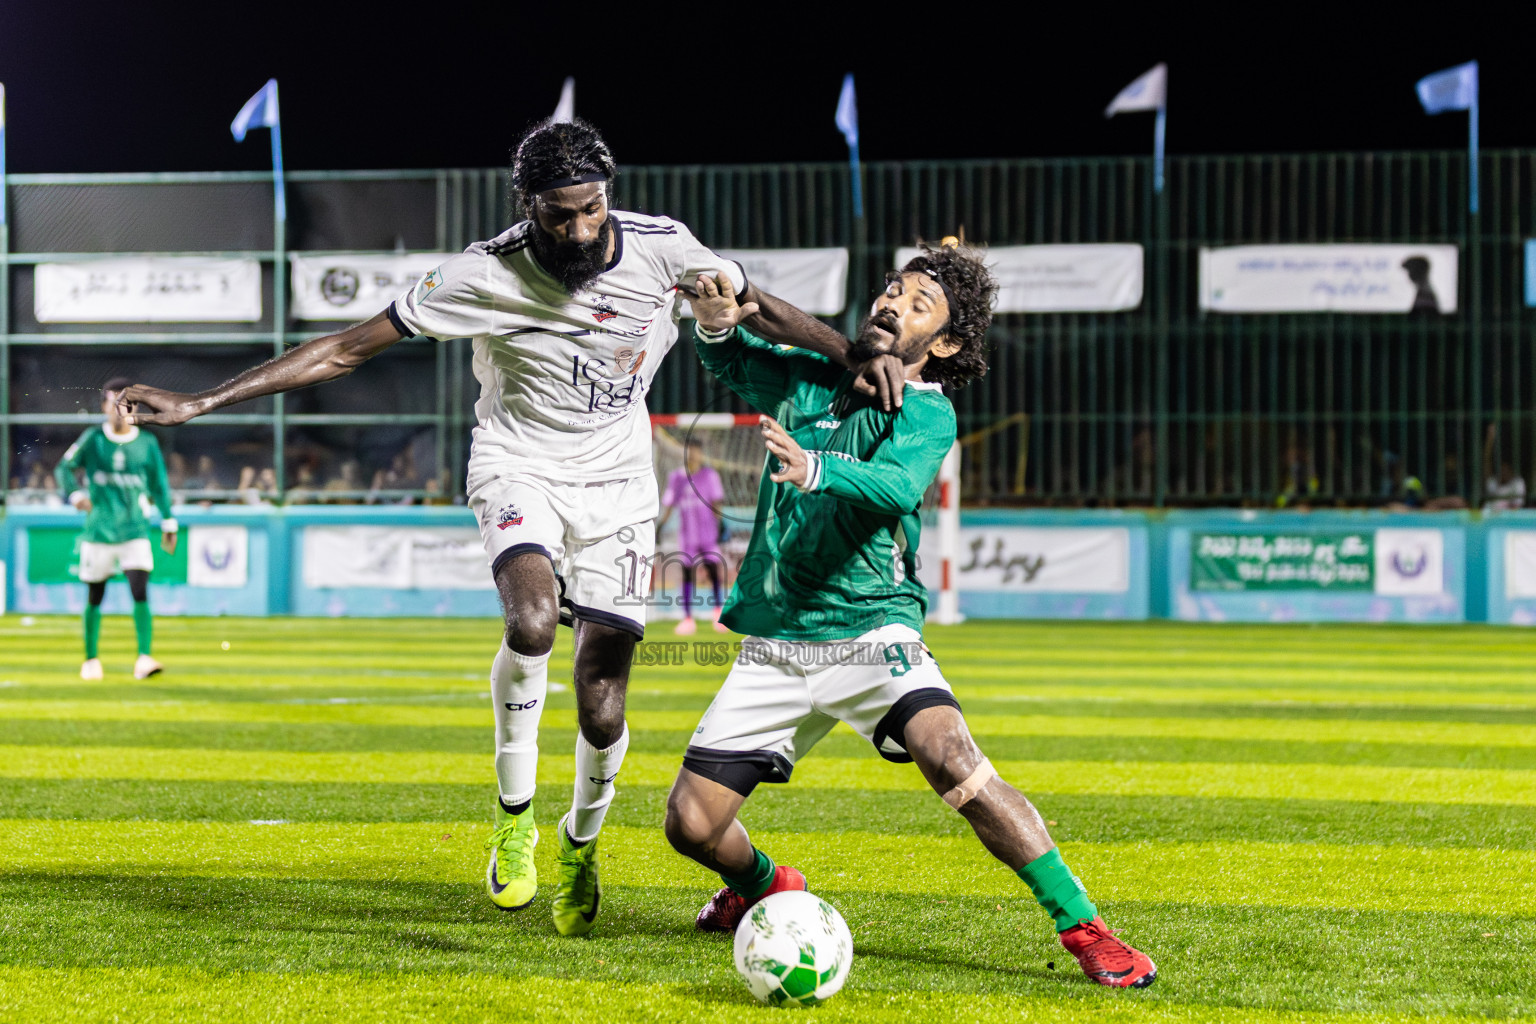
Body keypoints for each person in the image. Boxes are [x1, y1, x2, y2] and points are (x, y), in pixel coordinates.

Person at [118, 118, 903, 937]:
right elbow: (348, 348)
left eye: (591, 208)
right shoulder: (483, 273)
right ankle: (512, 816)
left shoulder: (664, 247)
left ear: (611, 197)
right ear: (527, 205)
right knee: (531, 620)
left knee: (602, 704)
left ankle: (579, 843)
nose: (578, 229)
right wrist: (203, 402)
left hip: (622, 487)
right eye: (558, 214)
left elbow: (757, 308)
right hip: (516, 462)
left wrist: (853, 353)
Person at [662, 244, 1158, 989]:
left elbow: (895, 487)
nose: (895, 301)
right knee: (691, 826)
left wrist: (815, 467)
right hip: (778, 643)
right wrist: (711, 312)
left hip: (871, 632)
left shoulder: (926, 411)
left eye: (920, 302)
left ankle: (1083, 926)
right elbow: (732, 353)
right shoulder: (809, 377)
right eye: (894, 289)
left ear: (947, 343)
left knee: (953, 756)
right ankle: (768, 888)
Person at [54, 378, 178, 681]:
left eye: (128, 405)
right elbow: (64, 467)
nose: (121, 411)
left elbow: (160, 485)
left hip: (135, 528)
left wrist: (168, 520)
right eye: (115, 404)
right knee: (95, 595)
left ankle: (144, 658)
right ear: (104, 406)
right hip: (99, 531)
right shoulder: (93, 439)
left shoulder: (147, 443)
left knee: (140, 590)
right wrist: (75, 494)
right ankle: (91, 659)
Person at [657, 438, 728, 634]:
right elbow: (670, 504)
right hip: (687, 533)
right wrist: (661, 526)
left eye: (696, 451)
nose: (692, 455)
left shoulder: (710, 475)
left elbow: (716, 502)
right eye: (689, 451)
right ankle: (687, 618)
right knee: (687, 572)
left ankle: (718, 612)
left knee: (713, 569)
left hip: (707, 532)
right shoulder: (677, 477)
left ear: (700, 453)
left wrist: (721, 524)